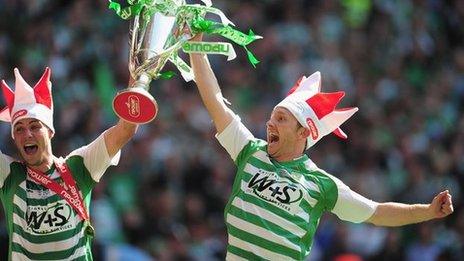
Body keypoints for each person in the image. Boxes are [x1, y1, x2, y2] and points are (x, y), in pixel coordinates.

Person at [189, 44, 454, 260]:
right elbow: (214, 99)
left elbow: (377, 212)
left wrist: (428, 211)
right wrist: (196, 46)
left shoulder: (321, 184)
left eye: (281, 118)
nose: (270, 123)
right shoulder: (250, 151)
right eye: (271, 117)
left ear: (303, 132)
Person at [0, 67, 138, 260]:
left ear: (50, 131)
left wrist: (138, 81)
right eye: (19, 129)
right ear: (14, 138)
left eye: (34, 126)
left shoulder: (79, 166)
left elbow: (125, 130)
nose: (27, 134)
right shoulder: (9, 174)